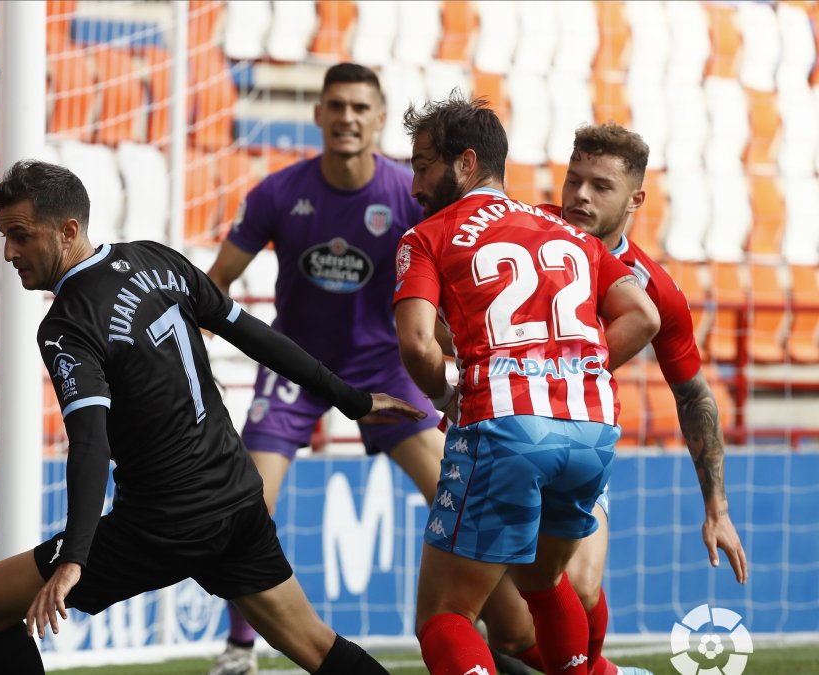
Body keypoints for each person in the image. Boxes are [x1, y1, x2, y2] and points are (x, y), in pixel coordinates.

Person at [0, 159, 425, 675]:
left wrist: (75, 555)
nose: (9, 252)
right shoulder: (157, 260)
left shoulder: (67, 326)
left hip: (164, 523)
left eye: (20, 236)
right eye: (5, 237)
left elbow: (90, 442)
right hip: (236, 496)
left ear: (68, 230)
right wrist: (350, 398)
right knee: (316, 646)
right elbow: (253, 333)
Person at [393, 93, 661, 675]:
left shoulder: (428, 237)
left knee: (446, 615)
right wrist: (575, 372)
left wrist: (447, 397)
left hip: (506, 426)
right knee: (544, 580)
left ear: (465, 164)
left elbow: (416, 343)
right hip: (592, 429)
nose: (413, 185)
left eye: (421, 166)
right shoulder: (565, 230)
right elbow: (643, 314)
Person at [476, 123, 748, 675]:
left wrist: (715, 506)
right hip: (492, 432)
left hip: (577, 439)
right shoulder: (521, 229)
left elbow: (692, 394)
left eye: (600, 186)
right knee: (505, 627)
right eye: (574, 180)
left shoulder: (653, 288)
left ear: (636, 199)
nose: (579, 195)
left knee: (577, 581)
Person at [206, 62, 443, 675]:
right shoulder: (277, 193)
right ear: (318, 115)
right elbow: (216, 286)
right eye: (336, 106)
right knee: (247, 507)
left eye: (360, 108)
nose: (347, 118)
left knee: (459, 497)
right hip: (295, 367)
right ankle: (239, 647)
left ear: (380, 119)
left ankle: (484, 632)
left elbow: (441, 293)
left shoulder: (406, 197)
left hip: (383, 370)